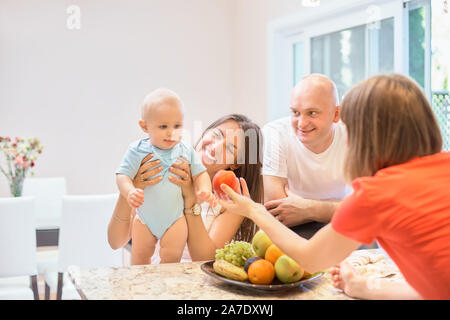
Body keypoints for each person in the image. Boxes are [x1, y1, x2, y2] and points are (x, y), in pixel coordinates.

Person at [218, 74, 450, 299]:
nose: (346, 139)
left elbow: (310, 259)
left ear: (366, 137)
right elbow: (432, 289)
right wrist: (362, 287)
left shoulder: (377, 195)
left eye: (349, 129)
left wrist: (252, 209)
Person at [108, 114, 263, 263]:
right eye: (216, 135)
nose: (215, 147)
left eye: (229, 149)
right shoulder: (158, 168)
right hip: (146, 280)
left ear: (235, 164)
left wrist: (190, 197)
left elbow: (205, 259)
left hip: (187, 285)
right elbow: (115, 242)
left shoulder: (230, 202)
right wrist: (129, 188)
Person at [115, 88, 215, 265]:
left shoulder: (186, 150)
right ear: (144, 126)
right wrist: (129, 191)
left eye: (177, 126)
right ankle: (141, 287)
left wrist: (205, 190)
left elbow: (201, 174)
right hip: (144, 219)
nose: (171, 133)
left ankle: (166, 287)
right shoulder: (137, 150)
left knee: (170, 260)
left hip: (175, 219)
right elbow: (122, 175)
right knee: (140, 258)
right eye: (163, 126)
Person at [262, 74, 350, 239]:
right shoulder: (274, 133)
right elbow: (276, 212)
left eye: (312, 113)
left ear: (336, 114)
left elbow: (367, 209)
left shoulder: (353, 135)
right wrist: (336, 209)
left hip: (340, 227)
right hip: (288, 232)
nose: (301, 123)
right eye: (295, 112)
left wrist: (308, 208)